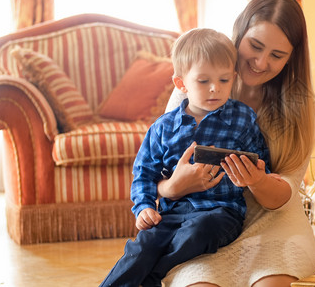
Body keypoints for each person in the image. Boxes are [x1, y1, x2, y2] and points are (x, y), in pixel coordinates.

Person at [159, 0, 315, 287]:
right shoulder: (195, 85)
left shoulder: (299, 104)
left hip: (275, 225)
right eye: (255, 46)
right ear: (239, 32)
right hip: (203, 224)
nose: (260, 62)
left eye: (277, 55)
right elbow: (157, 176)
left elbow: (286, 193)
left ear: (291, 57)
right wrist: (173, 187)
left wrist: (258, 182)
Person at [100, 28, 271, 287]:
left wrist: (256, 173)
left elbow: (262, 162)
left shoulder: (242, 118)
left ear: (234, 78)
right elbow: (144, 173)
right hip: (172, 213)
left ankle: (155, 275)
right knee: (142, 246)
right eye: (203, 82)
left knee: (198, 232)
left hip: (221, 213)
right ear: (182, 84)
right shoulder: (163, 127)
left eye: (224, 80)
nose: (215, 89)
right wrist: (144, 207)